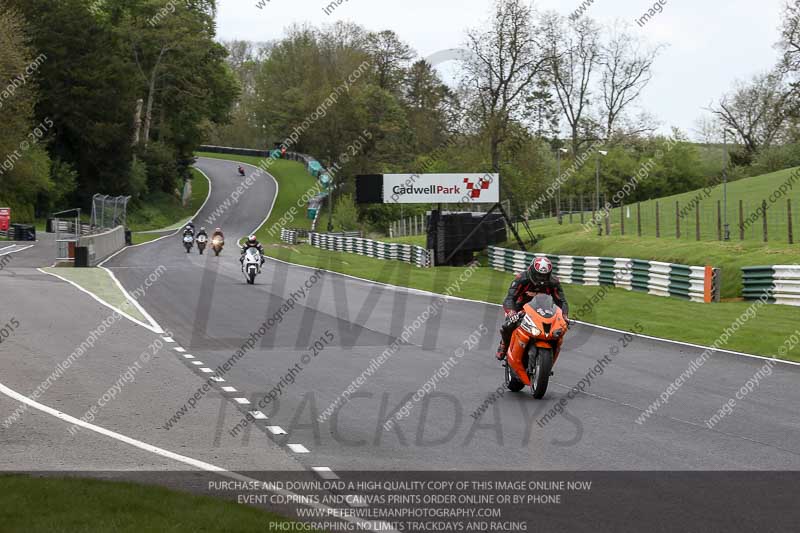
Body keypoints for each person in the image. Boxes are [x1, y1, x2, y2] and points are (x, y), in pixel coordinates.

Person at [496, 257, 569, 360]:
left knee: (558, 329)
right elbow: (510, 298)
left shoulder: (554, 282)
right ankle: (504, 344)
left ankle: (551, 353)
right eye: (539, 275)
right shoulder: (521, 279)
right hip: (520, 307)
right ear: (532, 271)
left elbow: (561, 301)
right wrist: (512, 312)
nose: (541, 279)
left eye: (544, 276)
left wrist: (564, 315)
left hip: (543, 309)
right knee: (508, 324)